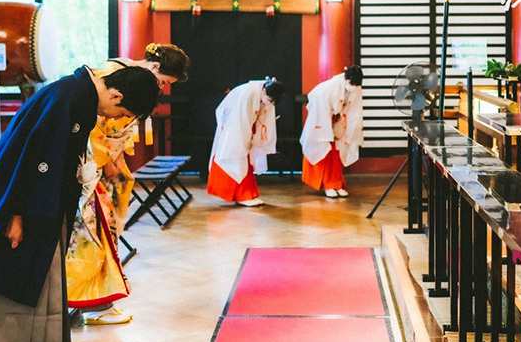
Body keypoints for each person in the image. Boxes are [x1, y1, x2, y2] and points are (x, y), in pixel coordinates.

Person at [0, 65, 160, 342]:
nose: (111, 118)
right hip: (19, 213)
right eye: (119, 111)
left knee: (48, 297)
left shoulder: (75, 97)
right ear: (115, 94)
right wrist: (14, 214)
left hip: (44, 212)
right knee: (13, 302)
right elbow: (19, 156)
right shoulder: (65, 98)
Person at [65, 43, 189, 327]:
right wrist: (106, 161)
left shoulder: (131, 76)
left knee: (105, 232)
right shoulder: (114, 74)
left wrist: (117, 160)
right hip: (91, 166)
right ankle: (92, 303)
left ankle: (96, 300)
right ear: (155, 67)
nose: (164, 87)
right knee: (92, 235)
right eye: (165, 81)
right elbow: (93, 125)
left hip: (109, 164)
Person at [206, 78, 284, 207]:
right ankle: (242, 195)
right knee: (235, 159)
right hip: (235, 129)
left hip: (245, 129)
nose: (269, 103)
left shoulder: (262, 94)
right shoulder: (247, 93)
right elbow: (239, 119)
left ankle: (246, 194)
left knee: (244, 163)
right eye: (269, 100)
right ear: (264, 90)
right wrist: (245, 138)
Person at [300, 66, 364, 198]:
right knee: (325, 152)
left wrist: (343, 124)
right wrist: (327, 128)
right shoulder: (330, 87)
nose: (353, 87)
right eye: (351, 84)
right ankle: (327, 185)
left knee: (337, 154)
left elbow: (354, 110)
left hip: (339, 119)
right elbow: (321, 109)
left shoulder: (355, 88)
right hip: (323, 119)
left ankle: (336, 184)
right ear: (346, 79)